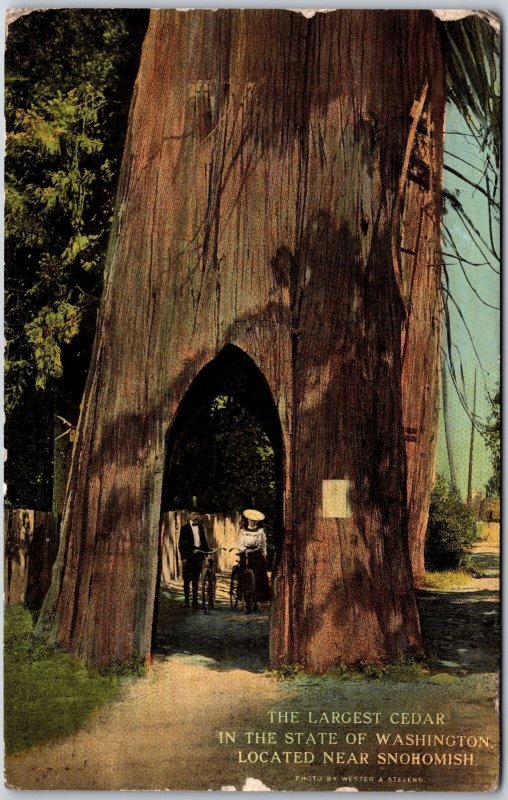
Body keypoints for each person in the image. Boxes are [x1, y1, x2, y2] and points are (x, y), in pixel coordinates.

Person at [238, 509, 271, 603]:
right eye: (251, 520)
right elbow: (240, 543)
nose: (252, 522)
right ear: (248, 520)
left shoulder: (260, 532)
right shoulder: (243, 531)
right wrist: (243, 549)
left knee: (259, 574)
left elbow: (263, 544)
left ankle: (257, 596)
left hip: (256, 553)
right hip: (245, 553)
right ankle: (243, 593)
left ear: (257, 521)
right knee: (242, 571)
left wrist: (264, 553)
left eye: (254, 520)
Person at [178, 512, 209, 608]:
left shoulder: (200, 527)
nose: (196, 516)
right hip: (188, 556)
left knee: (196, 579)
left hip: (198, 555)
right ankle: (186, 601)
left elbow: (203, 541)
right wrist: (183, 557)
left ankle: (195, 602)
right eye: (194, 514)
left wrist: (207, 554)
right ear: (189, 516)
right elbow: (181, 544)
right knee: (187, 579)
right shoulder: (184, 528)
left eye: (198, 514)